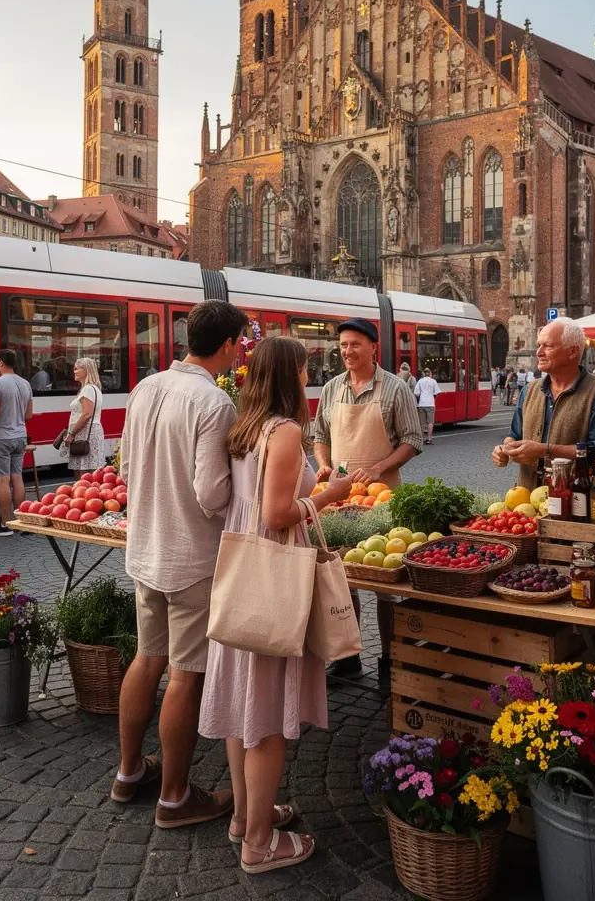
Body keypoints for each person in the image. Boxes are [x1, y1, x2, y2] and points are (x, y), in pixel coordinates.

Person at [199, 337, 352, 873]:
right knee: (263, 718)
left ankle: (246, 816)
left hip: (242, 571)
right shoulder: (284, 431)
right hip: (271, 577)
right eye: (306, 370)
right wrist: (330, 494)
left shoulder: (244, 429)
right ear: (289, 375)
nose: (310, 378)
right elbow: (276, 513)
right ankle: (260, 844)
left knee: (244, 708)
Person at [112, 300, 247, 829]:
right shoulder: (214, 402)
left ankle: (128, 771)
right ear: (228, 345)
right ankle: (174, 798)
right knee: (185, 675)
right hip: (192, 556)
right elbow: (211, 493)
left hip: (146, 548)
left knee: (147, 659)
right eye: (239, 344)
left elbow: (126, 467)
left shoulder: (146, 387)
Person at [314, 317, 422, 679]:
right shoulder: (331, 389)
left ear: (373, 347)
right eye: (343, 345)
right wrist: (323, 465)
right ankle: (348, 657)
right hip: (339, 500)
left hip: (382, 500)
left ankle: (391, 660)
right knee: (340, 581)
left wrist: (378, 469)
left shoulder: (395, 388)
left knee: (386, 585)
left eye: (355, 344)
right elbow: (319, 435)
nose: (348, 351)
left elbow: (412, 440)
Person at [492, 318, 595, 490]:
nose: (538, 352)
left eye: (548, 346)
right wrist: (505, 449)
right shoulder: (529, 390)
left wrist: (545, 450)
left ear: (573, 351)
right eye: (539, 345)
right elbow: (515, 434)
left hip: (576, 496)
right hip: (527, 494)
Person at [0, 349, 33, 537]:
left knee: (2, 479)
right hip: (20, 437)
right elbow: (29, 415)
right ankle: (22, 523)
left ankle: (5, 524)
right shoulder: (25, 383)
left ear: (2, 363)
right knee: (17, 478)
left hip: (1, 437)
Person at [63, 357, 105, 473]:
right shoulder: (94, 389)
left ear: (87, 370)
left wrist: (72, 434)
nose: (74, 371)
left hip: (85, 433)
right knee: (89, 471)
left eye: (77, 369)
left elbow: (86, 414)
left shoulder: (87, 389)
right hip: (88, 432)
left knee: (83, 473)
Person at [414, 367, 440, 445]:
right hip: (430, 403)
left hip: (422, 404)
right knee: (430, 422)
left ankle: (423, 438)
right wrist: (433, 396)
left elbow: (416, 393)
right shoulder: (433, 381)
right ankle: (429, 438)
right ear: (430, 374)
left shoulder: (420, 381)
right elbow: (437, 392)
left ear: (424, 374)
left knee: (422, 422)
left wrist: (421, 396)